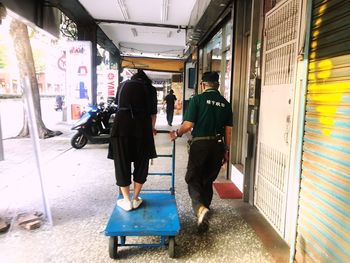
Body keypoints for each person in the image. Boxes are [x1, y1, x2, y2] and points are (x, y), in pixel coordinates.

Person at [170, 71, 232, 232]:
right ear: (217, 85)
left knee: (193, 178)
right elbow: (228, 131)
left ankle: (199, 208)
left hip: (200, 145)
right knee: (208, 180)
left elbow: (188, 125)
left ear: (203, 85)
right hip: (218, 145)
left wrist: (177, 133)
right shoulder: (226, 104)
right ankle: (203, 215)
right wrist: (226, 150)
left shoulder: (197, 100)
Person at [108, 69, 158, 211]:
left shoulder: (122, 85)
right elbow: (153, 114)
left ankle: (126, 200)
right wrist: (151, 128)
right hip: (142, 128)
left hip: (120, 127)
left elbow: (118, 105)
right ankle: (136, 198)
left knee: (121, 162)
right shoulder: (150, 89)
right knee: (141, 163)